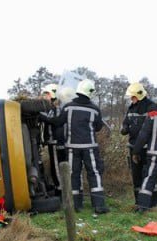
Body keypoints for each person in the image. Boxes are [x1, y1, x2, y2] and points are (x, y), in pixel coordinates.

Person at [43, 79, 109, 214]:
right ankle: (99, 205)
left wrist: (43, 118)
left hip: (72, 148)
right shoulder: (95, 109)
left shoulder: (68, 107)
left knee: (73, 174)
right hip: (90, 147)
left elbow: (58, 122)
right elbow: (98, 127)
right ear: (90, 92)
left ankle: (75, 205)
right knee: (94, 173)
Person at [121, 82, 157, 206]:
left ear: (139, 95)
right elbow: (126, 121)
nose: (131, 100)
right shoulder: (131, 107)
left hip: (148, 148)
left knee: (149, 175)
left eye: (133, 97)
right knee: (136, 175)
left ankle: (153, 202)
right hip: (133, 147)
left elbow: (155, 127)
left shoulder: (152, 107)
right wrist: (124, 128)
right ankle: (139, 202)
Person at [41, 83, 67, 196]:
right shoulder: (51, 107)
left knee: (57, 166)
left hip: (57, 141)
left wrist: (42, 117)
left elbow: (56, 121)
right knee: (55, 166)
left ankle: (61, 189)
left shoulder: (57, 108)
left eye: (46, 94)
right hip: (53, 142)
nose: (45, 96)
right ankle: (60, 187)